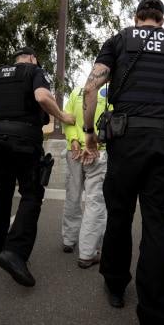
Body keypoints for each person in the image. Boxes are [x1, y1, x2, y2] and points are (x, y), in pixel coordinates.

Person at [80, 0, 164, 324]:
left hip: (124, 141)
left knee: (118, 216)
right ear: (161, 20)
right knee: (157, 227)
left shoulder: (118, 41)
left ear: (136, 18)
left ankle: (116, 286)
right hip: (163, 143)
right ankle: (155, 311)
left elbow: (90, 90)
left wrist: (90, 132)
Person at [0, 46, 75, 287]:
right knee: (32, 194)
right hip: (25, 142)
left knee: (1, 193)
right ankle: (14, 251)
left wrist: (3, 123)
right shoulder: (34, 71)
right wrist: (62, 117)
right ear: (33, 58)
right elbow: (42, 97)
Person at [62, 85, 109, 268]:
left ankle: (69, 240)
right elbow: (113, 123)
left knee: (72, 196)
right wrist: (93, 145)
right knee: (95, 202)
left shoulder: (76, 92)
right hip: (97, 152)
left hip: (73, 151)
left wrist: (74, 140)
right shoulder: (111, 94)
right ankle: (87, 253)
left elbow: (68, 117)